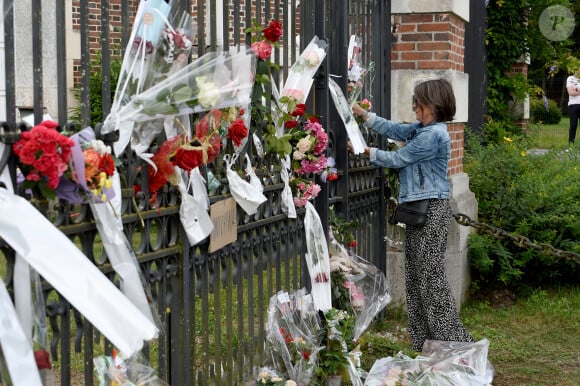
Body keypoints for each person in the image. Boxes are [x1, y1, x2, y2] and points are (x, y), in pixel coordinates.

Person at [351, 78, 474, 352]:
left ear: (434, 104)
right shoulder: (422, 129)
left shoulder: (434, 135)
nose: (414, 105)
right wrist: (364, 115)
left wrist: (366, 152)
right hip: (422, 212)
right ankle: (428, 345)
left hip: (431, 210)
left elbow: (399, 159)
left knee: (430, 280)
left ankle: (454, 344)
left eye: (419, 101)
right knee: (417, 279)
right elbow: (394, 128)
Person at [566, 70, 580, 145]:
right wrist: (575, 91)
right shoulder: (570, 78)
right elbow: (571, 92)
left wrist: (577, 90)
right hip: (573, 105)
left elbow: (575, 92)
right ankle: (571, 145)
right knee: (573, 125)